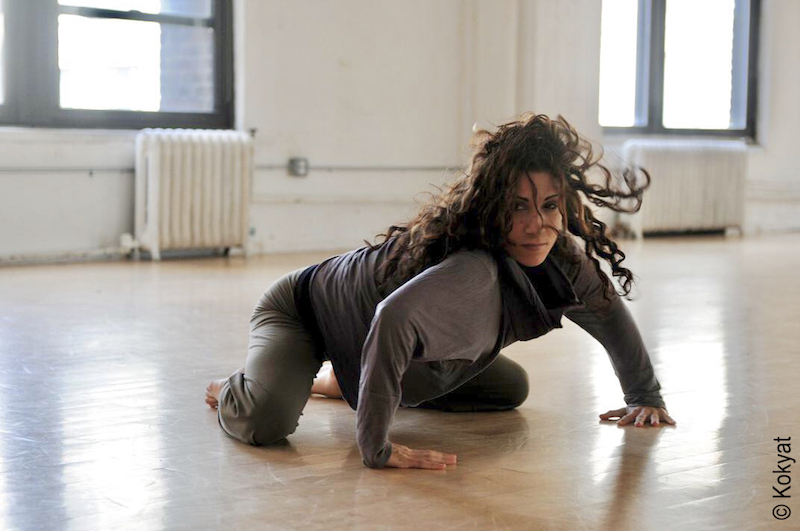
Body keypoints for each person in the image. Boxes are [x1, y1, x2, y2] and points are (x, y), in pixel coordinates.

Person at [205, 113, 676, 470]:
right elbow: (392, 317)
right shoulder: (472, 268)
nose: (537, 225)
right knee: (264, 424)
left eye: (549, 206)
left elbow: (607, 313)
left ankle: (335, 380)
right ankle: (242, 387)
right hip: (302, 309)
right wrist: (376, 447)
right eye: (518, 207)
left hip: (370, 335)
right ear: (493, 206)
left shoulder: (564, 257)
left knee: (508, 388)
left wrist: (644, 394)